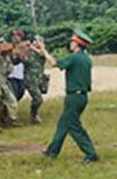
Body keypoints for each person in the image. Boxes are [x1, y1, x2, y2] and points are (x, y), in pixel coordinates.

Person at [34, 29, 99, 163]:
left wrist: (43, 49)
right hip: (81, 97)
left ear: (77, 44)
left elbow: (54, 63)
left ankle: (91, 153)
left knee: (73, 126)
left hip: (74, 97)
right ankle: (52, 151)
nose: (70, 44)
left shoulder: (74, 58)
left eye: (72, 42)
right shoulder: (85, 58)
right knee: (63, 124)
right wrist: (40, 51)